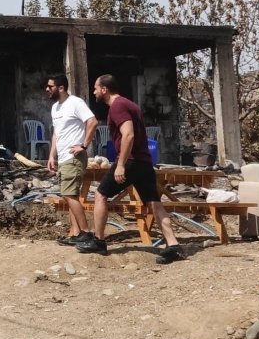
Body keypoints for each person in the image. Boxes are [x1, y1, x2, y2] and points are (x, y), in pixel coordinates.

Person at [74, 74, 184, 264]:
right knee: (154, 202)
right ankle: (173, 245)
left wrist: (121, 165)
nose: (93, 92)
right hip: (144, 162)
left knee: (101, 194)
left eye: (95, 88)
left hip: (131, 161)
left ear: (104, 89)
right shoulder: (130, 104)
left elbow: (129, 135)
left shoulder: (118, 106)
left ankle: (99, 240)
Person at [45, 74, 97, 246]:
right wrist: (52, 155)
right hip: (62, 158)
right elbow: (56, 133)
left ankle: (86, 233)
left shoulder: (75, 103)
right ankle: (75, 234)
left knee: (69, 194)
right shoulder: (55, 108)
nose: (47, 89)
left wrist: (84, 145)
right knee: (70, 195)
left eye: (50, 86)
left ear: (61, 87)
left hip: (74, 157)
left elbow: (92, 122)